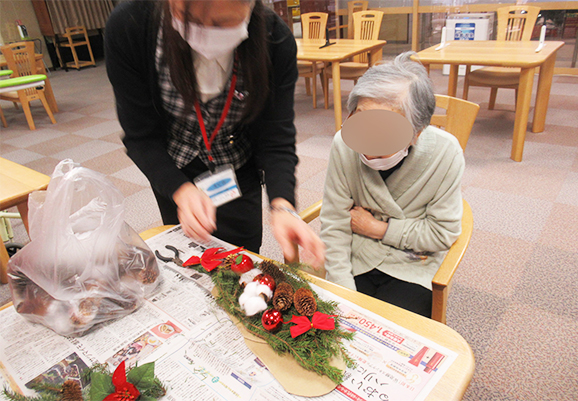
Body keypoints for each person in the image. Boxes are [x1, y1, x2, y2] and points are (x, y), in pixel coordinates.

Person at [105, 0, 324, 265]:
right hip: (173, 168)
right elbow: (141, 136)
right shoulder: (131, 25)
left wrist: (283, 204)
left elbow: (275, 136)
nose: (204, 34)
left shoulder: (275, 40)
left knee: (243, 258)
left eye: (222, 23)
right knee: (187, 258)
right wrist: (180, 190)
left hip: (237, 169)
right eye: (187, 18)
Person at [320, 52, 464, 318]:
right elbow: (334, 224)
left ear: (417, 133)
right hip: (357, 256)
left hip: (413, 262)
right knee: (333, 323)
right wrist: (343, 292)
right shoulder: (344, 144)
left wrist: (379, 229)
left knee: (394, 328)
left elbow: (442, 233)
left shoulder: (445, 153)